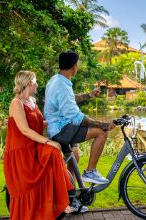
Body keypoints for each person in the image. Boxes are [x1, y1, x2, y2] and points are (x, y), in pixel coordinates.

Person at [3, 70, 74, 220]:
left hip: (33, 146)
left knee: (55, 155)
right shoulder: (16, 103)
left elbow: (36, 123)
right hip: (21, 151)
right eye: (34, 81)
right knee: (54, 151)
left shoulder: (32, 101)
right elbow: (25, 130)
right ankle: (62, 202)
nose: (37, 84)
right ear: (27, 83)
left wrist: (60, 122)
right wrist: (49, 142)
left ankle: (61, 200)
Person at [44, 51, 115, 186]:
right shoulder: (62, 86)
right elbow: (75, 117)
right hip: (61, 130)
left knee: (74, 158)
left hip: (58, 127)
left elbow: (69, 99)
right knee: (101, 133)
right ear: (74, 67)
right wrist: (103, 124)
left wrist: (88, 95)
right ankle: (90, 171)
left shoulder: (56, 80)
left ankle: (71, 196)